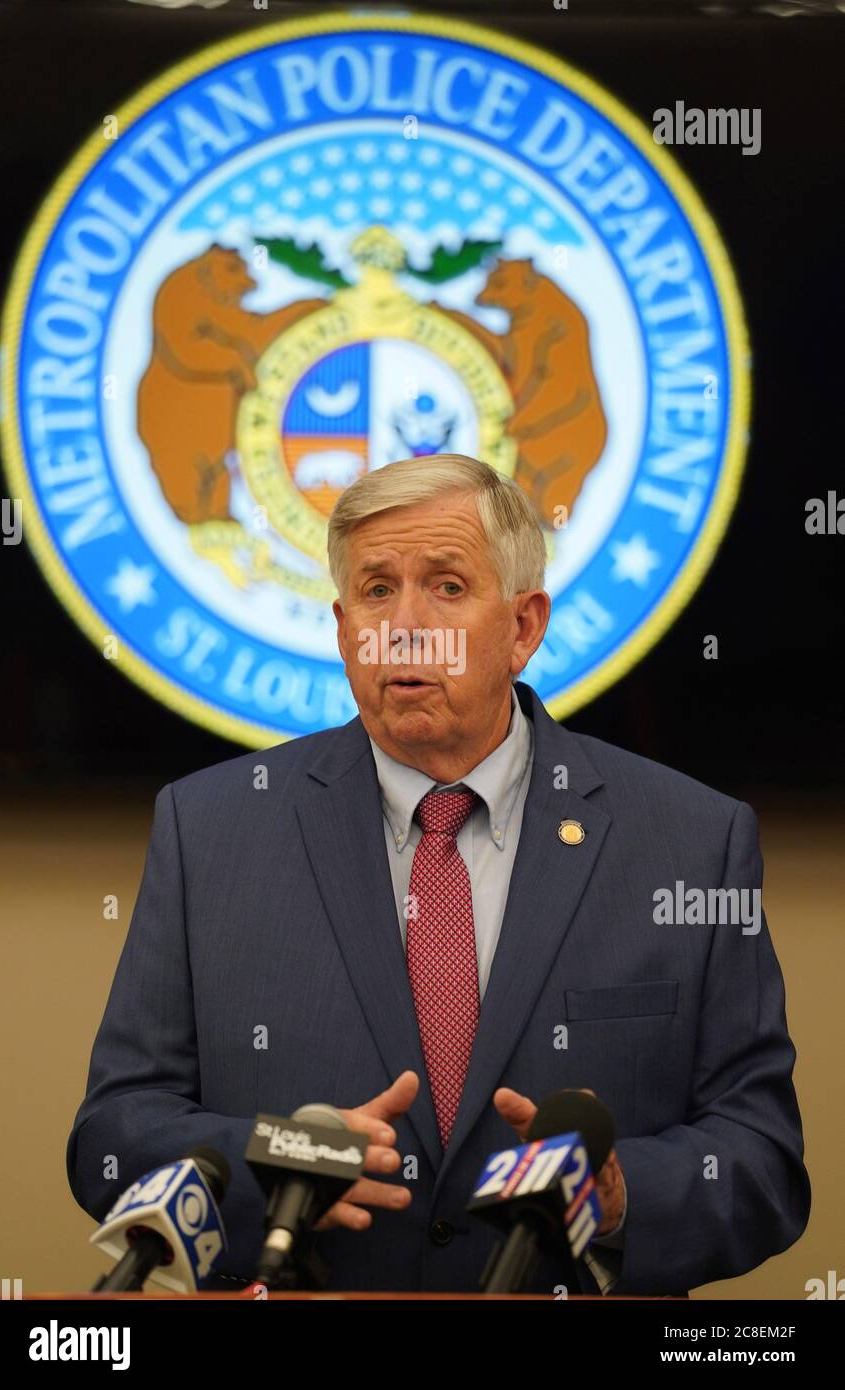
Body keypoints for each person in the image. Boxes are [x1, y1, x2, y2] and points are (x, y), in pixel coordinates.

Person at [67, 453, 810, 1295]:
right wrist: (286, 1167)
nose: (404, 626)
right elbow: (113, 1138)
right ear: (345, 627)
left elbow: (762, 1160)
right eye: (378, 591)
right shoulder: (210, 832)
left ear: (525, 627)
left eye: (448, 587)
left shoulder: (692, 842)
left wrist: (614, 1194)